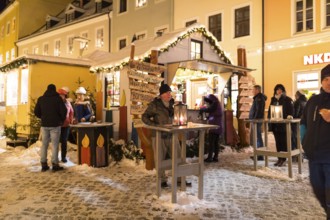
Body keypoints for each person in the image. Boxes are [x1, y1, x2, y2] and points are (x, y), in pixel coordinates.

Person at [142, 84, 191, 188]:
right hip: (159, 135)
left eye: (170, 92)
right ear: (161, 94)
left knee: (178, 157)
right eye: (167, 92)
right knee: (160, 159)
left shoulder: (173, 104)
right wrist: (155, 126)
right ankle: (162, 181)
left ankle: (180, 179)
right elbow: (144, 117)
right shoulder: (155, 105)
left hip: (171, 134)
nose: (169, 94)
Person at [301, 64, 330, 218]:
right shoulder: (313, 101)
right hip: (314, 155)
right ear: (321, 81)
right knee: (318, 189)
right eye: (326, 79)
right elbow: (304, 121)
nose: (329, 82)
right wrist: (303, 140)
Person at [34, 84, 67, 172]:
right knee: (55, 145)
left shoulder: (41, 99)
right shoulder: (58, 99)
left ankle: (43, 163)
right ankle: (55, 163)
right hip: (55, 125)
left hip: (44, 125)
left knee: (44, 144)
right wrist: (61, 120)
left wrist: (43, 117)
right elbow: (64, 111)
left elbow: (36, 111)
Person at [268, 84, 294, 167]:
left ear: (283, 91)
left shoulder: (287, 99)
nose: (279, 91)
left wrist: (287, 116)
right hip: (275, 125)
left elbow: (291, 111)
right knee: (278, 142)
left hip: (283, 125)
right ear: (275, 91)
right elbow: (270, 111)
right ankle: (279, 158)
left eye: (280, 89)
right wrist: (269, 121)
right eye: (277, 89)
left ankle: (283, 159)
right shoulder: (273, 99)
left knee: (283, 142)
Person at [199, 94, 223, 163]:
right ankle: (215, 157)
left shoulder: (215, 103)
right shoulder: (217, 104)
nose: (208, 103)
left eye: (208, 102)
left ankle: (210, 158)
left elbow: (210, 110)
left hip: (214, 126)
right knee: (215, 142)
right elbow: (213, 113)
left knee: (211, 142)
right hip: (218, 126)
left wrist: (203, 109)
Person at [249, 85, 267, 161]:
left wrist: (255, 119)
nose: (252, 91)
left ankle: (260, 155)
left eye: (253, 90)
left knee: (258, 137)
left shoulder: (259, 98)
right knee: (257, 137)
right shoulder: (258, 98)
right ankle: (259, 154)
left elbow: (258, 110)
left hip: (256, 120)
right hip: (256, 120)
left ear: (257, 90)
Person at [58, 87, 74, 163]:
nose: (61, 96)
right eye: (59, 95)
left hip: (66, 125)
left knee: (64, 141)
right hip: (57, 125)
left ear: (65, 96)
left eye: (62, 95)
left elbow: (71, 112)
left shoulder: (68, 103)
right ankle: (55, 157)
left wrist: (70, 120)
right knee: (56, 142)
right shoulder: (56, 103)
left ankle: (63, 157)